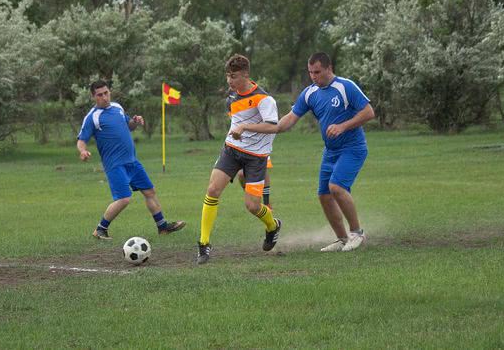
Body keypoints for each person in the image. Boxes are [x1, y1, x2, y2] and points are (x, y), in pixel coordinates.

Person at [230, 52, 374, 252]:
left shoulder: (345, 86)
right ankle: (341, 239)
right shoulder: (309, 93)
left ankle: (357, 233)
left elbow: (368, 112)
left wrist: (343, 126)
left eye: (317, 72)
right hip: (330, 151)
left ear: (328, 68)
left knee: (336, 187)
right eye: (310, 73)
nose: (314, 77)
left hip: (353, 148)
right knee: (324, 195)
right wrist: (263, 128)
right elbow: (288, 120)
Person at [197, 54, 281, 264]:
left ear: (245, 74)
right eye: (227, 76)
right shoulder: (231, 99)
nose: (229, 81)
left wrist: (244, 127)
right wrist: (238, 130)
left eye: (233, 76)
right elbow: (236, 123)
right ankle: (203, 244)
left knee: (252, 206)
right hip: (232, 151)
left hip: (256, 158)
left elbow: (273, 127)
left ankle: (273, 226)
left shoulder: (264, 99)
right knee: (213, 190)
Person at [77, 80, 185, 240]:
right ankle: (100, 230)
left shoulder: (117, 108)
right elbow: (81, 140)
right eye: (100, 95)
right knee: (123, 198)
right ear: (93, 97)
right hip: (115, 164)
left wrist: (135, 121)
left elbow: (129, 125)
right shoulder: (92, 117)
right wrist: (83, 151)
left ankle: (163, 227)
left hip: (132, 161)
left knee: (150, 192)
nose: (104, 97)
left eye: (106, 93)